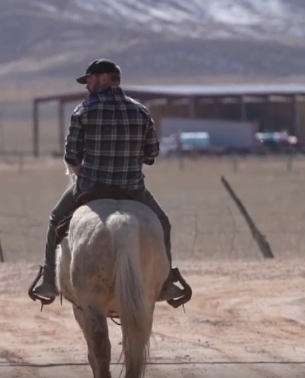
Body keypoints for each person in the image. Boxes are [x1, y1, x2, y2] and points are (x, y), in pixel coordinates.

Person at [29, 58, 189, 305]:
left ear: (103, 78)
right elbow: (152, 153)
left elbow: (71, 154)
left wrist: (79, 166)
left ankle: (49, 281)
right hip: (132, 190)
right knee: (163, 224)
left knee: (55, 220)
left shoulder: (83, 110)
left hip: (90, 187)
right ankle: (167, 283)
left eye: (89, 80)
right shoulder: (140, 111)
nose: (86, 86)